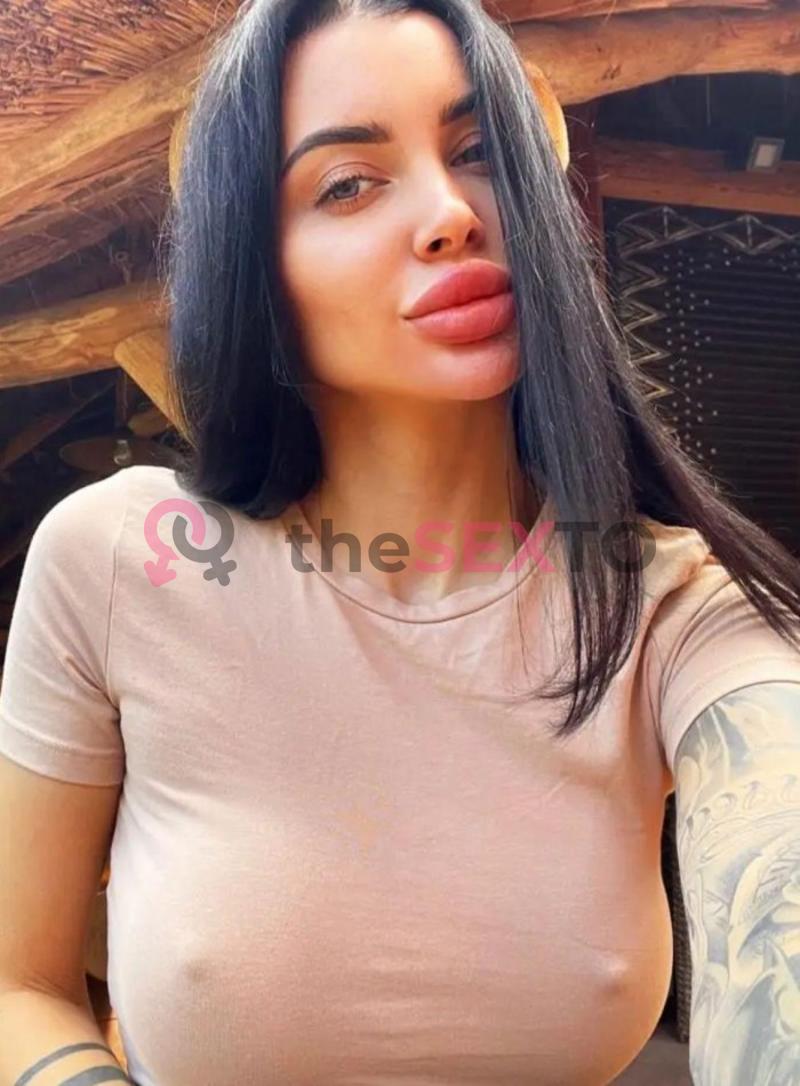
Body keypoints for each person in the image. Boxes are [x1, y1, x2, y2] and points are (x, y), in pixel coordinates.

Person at [1, 0, 800, 1083]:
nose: (449, 214)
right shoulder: (119, 558)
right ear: (255, 271)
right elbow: (20, 982)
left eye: (479, 154)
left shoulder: (670, 612)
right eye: (347, 184)